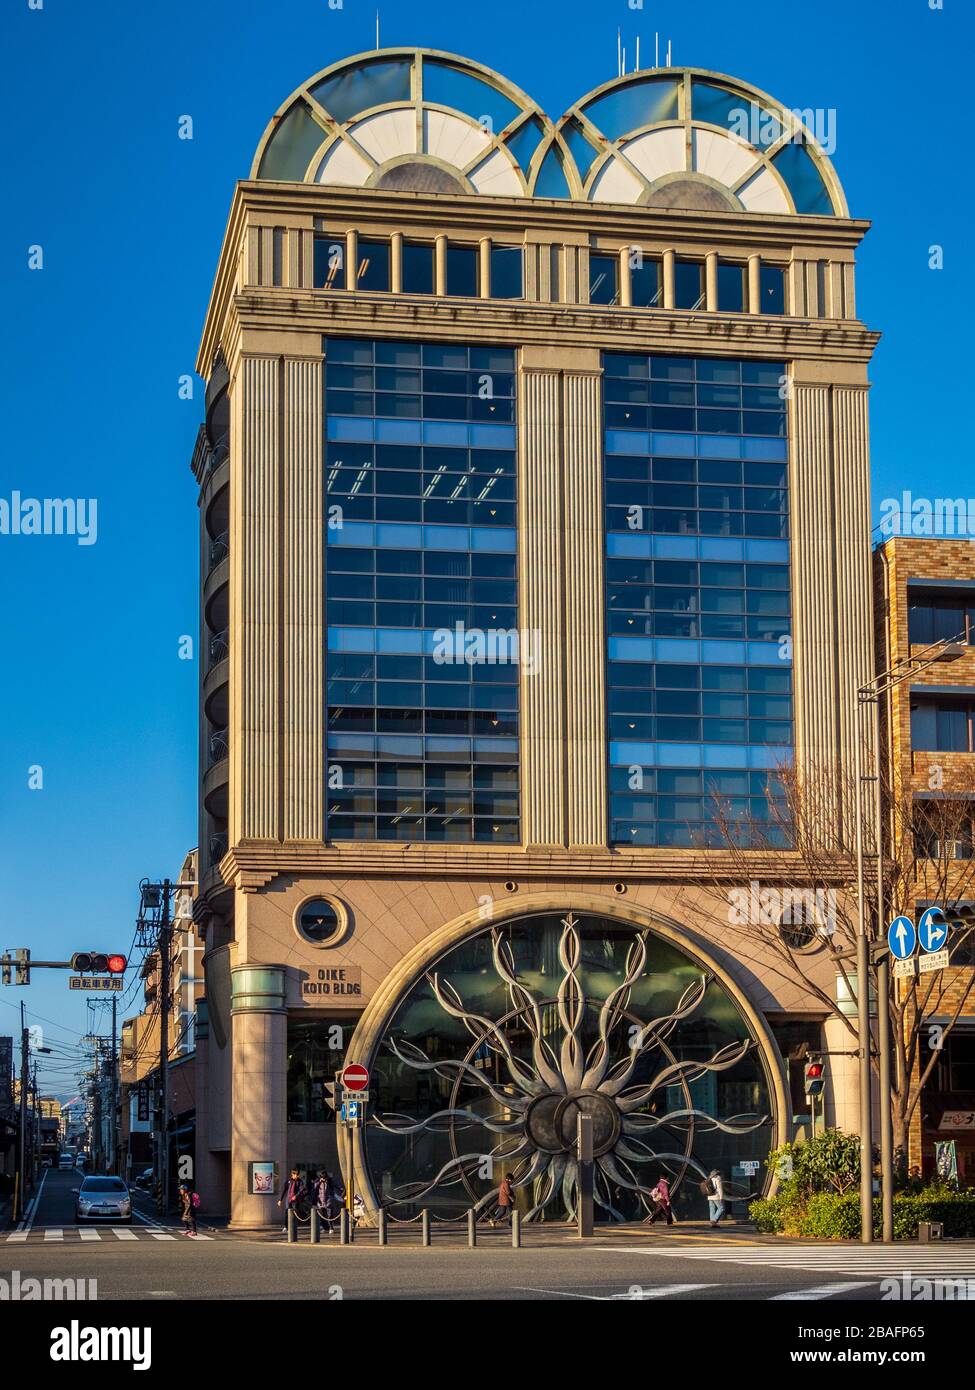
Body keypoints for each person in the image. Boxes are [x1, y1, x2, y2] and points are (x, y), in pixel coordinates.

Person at [277, 1167, 306, 1232]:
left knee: (295, 1213)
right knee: (287, 1213)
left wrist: (296, 1196)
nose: (296, 1176)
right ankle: (286, 1226)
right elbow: (284, 1191)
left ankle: (293, 1226)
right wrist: (280, 1200)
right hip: (288, 1200)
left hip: (295, 1200)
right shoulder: (288, 1181)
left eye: (297, 1175)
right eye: (295, 1174)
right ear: (292, 1174)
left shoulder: (300, 1182)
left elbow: (301, 1190)